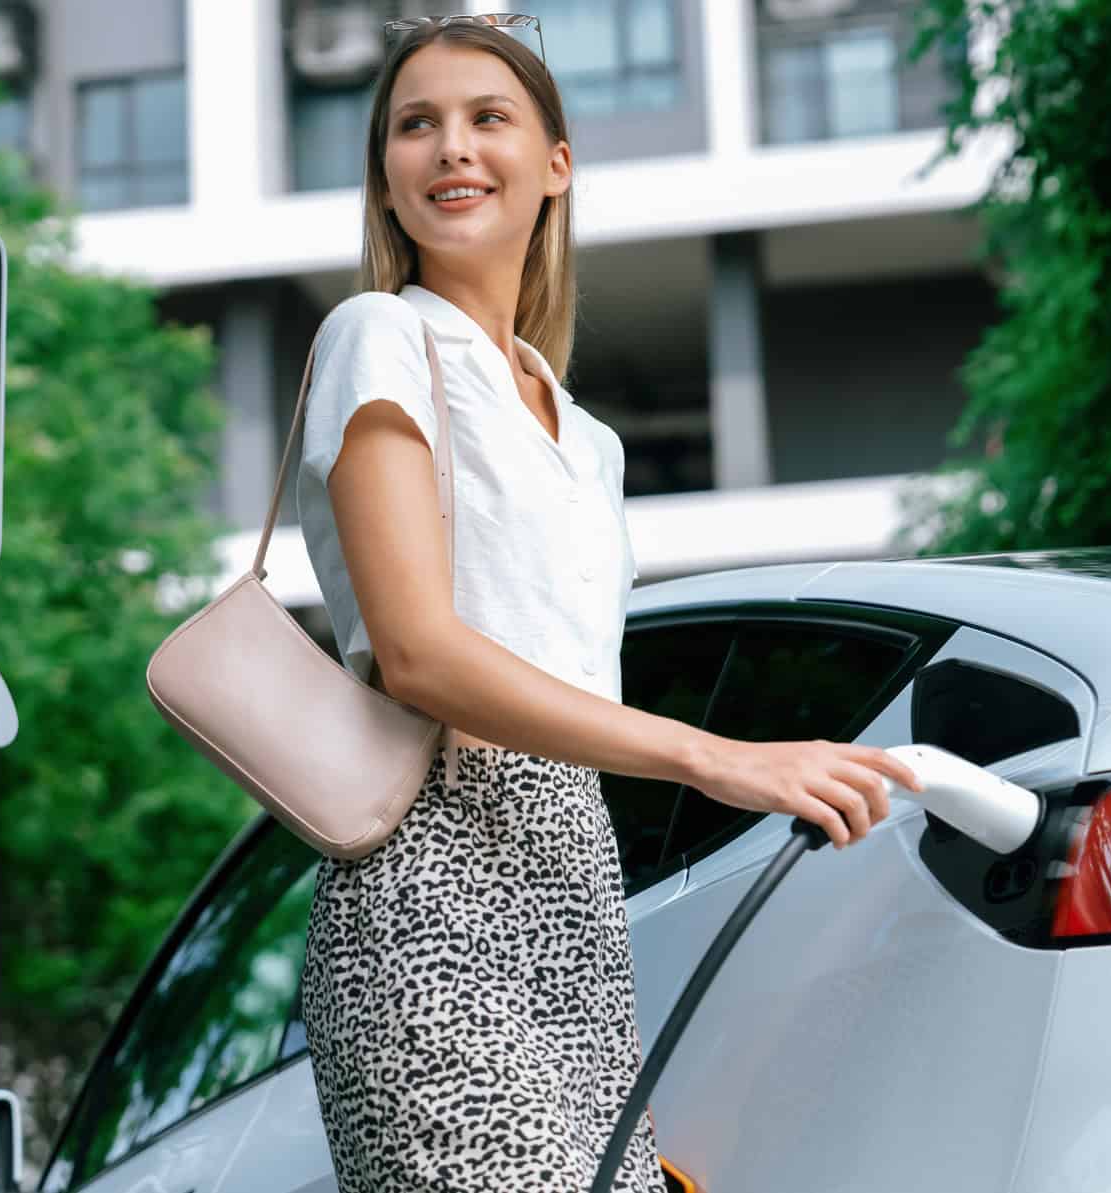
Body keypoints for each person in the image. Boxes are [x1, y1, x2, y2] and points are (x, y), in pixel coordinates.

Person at [293, 14, 923, 1191]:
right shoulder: (377, 336)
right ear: (385, 180)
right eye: (415, 126)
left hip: (576, 894)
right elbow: (421, 655)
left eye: (489, 119)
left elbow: (570, 681)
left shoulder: (585, 438)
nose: (450, 149)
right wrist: (715, 756)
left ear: (557, 163)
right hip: (427, 885)